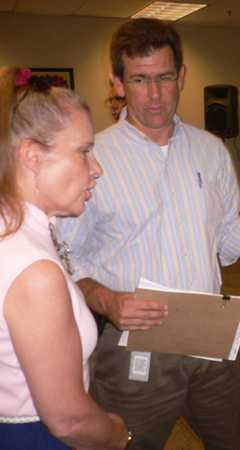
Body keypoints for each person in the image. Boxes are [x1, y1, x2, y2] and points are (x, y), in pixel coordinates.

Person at [56, 18, 240, 450]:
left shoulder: (209, 149)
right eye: (140, 80)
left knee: (233, 442)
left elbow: (226, 227)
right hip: (135, 343)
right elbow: (65, 254)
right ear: (118, 84)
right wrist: (108, 301)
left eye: (164, 77)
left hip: (209, 335)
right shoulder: (93, 157)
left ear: (181, 76)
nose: (155, 94)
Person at [0, 67, 129, 449]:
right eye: (84, 151)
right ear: (32, 157)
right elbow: (69, 420)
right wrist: (119, 435)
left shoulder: (14, 230)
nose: (97, 169)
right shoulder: (32, 269)